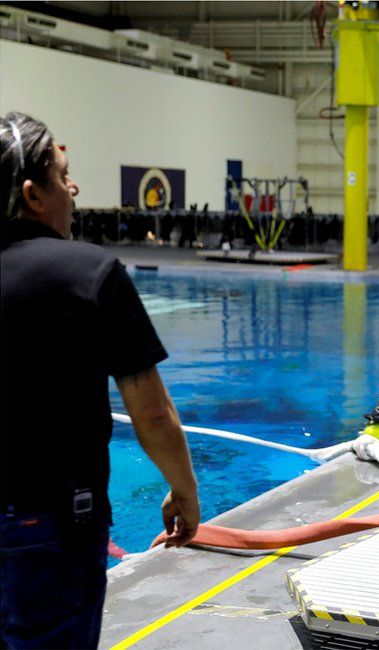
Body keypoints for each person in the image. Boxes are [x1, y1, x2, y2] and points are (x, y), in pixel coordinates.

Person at [1, 112, 200, 649]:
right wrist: (184, 490)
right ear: (32, 195)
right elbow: (152, 413)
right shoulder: (91, 274)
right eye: (63, 175)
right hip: (50, 529)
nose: (74, 187)